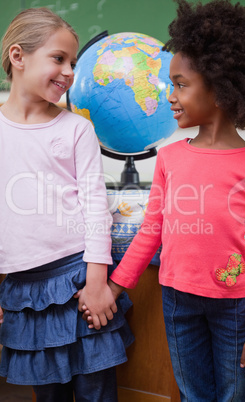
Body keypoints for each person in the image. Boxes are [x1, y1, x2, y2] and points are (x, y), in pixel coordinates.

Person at [83, 0, 245, 401]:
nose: (170, 95)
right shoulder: (170, 157)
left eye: (181, 84)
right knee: (191, 394)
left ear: (220, 88)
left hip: (236, 305)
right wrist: (112, 289)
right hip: (176, 298)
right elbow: (152, 231)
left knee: (236, 395)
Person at [0, 7, 133, 402]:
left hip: (78, 282)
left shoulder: (77, 129)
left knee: (97, 392)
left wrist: (96, 283)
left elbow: (96, 207)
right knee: (49, 395)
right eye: (59, 58)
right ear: (18, 56)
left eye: (72, 62)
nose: (70, 71)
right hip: (24, 292)